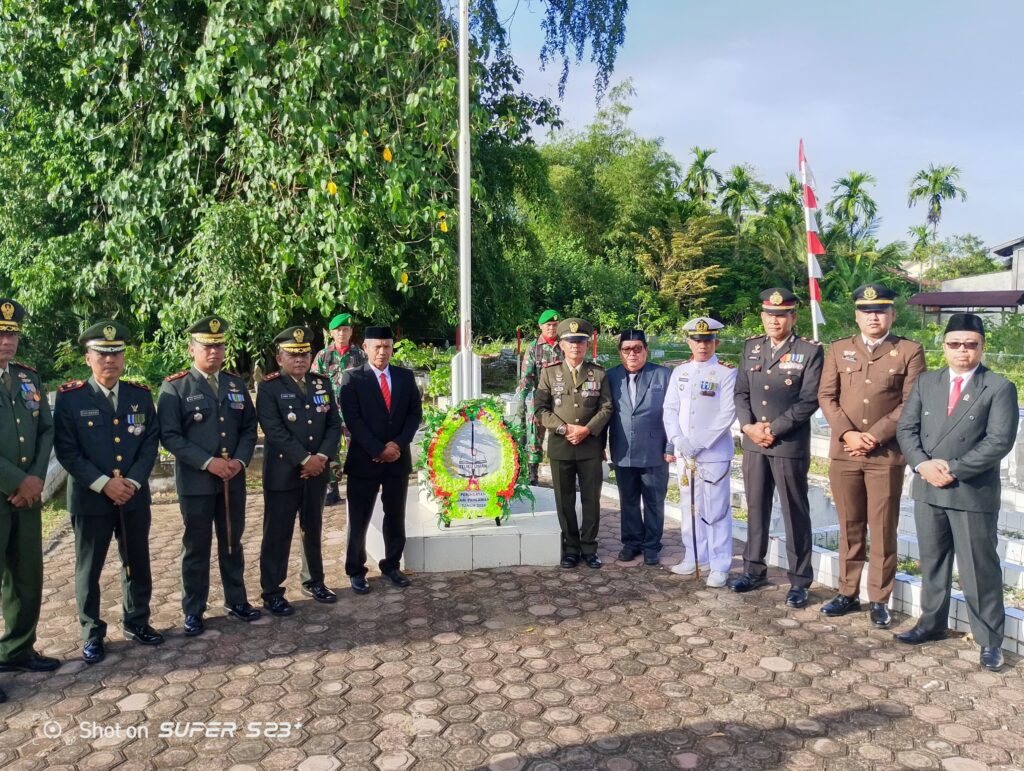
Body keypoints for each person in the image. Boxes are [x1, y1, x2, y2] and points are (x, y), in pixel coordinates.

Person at [896, 313, 1018, 671]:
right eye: (955, 344)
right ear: (944, 345)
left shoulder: (997, 386)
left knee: (979, 569)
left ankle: (989, 641)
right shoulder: (926, 382)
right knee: (932, 562)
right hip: (928, 486)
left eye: (971, 344)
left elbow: (999, 441)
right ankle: (931, 624)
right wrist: (922, 464)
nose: (963, 351)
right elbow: (907, 429)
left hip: (970, 491)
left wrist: (952, 468)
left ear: (981, 346)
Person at [53, 321, 163, 665]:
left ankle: (137, 621)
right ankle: (92, 633)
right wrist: (105, 484)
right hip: (90, 499)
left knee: (137, 561)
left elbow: (150, 443)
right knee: (90, 568)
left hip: (132, 496)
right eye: (102, 354)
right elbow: (68, 451)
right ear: (88, 358)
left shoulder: (139, 395)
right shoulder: (70, 398)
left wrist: (131, 481)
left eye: (116, 353)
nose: (110, 361)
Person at [817, 284, 925, 627]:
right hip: (845, 453)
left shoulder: (909, 350)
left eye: (880, 310)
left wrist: (873, 436)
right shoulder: (838, 349)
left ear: (892, 314)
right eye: (866, 311)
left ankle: (879, 598)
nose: (873, 316)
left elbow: (911, 404)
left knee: (882, 528)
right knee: (849, 525)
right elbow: (826, 396)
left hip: (885, 455)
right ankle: (847, 592)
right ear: (857, 315)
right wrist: (848, 434)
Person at [158, 316, 260, 636]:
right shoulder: (175, 386)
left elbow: (247, 428)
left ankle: (236, 599)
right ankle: (193, 609)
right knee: (196, 546)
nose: (214, 351)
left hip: (232, 479)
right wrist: (207, 462)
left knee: (232, 541)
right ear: (192, 349)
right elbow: (170, 437)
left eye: (219, 345)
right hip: (197, 482)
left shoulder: (235, 384)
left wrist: (240, 461)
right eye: (207, 346)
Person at [731, 288, 824, 608]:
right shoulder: (751, 347)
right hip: (755, 443)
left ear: (793, 317)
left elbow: (810, 399)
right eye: (769, 315)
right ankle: (753, 569)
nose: (774, 320)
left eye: (781, 315)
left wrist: (774, 429)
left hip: (788, 443)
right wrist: (749, 427)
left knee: (794, 512)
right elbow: (740, 393)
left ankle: (800, 580)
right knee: (755, 506)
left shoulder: (809, 351)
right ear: (762, 316)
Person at [257, 326, 342, 615]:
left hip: (316, 471)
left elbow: (333, 424)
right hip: (283, 473)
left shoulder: (321, 383)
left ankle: (314, 580)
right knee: (277, 533)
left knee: (313, 528)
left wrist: (320, 457)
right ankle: (272, 591)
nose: (299, 360)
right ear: (279, 358)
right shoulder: (269, 388)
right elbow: (274, 431)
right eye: (292, 355)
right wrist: (304, 460)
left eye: (304, 354)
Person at [0, 299, 58, 701]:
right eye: (1, 333)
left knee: (26, 577)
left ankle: (17, 649)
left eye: (12, 333)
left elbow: (45, 431)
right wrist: (17, 481)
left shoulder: (27, 378)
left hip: (28, 496)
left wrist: (35, 479)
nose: (7, 341)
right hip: (5, 492)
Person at [339, 326, 422, 594]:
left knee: (395, 515)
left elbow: (414, 415)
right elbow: (353, 420)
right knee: (360, 518)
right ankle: (356, 570)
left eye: (387, 346)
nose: (382, 352)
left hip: (397, 459)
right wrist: (378, 449)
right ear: (365, 348)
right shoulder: (352, 379)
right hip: (365, 460)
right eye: (377, 346)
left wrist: (397, 445)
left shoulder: (404, 377)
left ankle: (392, 564)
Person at [662, 317, 737, 588]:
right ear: (688, 341)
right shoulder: (680, 371)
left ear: (715, 341)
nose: (702, 345)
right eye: (696, 340)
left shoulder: (727, 373)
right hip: (685, 453)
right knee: (689, 507)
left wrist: (699, 442)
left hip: (713, 453)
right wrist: (678, 439)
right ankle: (695, 556)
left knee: (716, 509)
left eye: (707, 340)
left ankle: (719, 564)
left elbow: (727, 413)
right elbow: (670, 409)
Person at [535, 318, 613, 569]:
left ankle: (589, 547)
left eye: (580, 341)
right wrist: (563, 428)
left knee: (591, 499)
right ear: (561, 344)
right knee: (564, 499)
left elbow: (607, 407)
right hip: (561, 445)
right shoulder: (549, 372)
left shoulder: (599, 373)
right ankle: (571, 547)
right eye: (570, 342)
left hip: (590, 446)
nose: (576, 346)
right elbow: (540, 408)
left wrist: (587, 429)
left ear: (587, 344)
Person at [605, 330, 672, 565]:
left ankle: (652, 545)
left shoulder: (663, 375)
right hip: (623, 449)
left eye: (637, 349)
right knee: (629, 500)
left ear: (645, 350)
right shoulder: (610, 376)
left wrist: (671, 446)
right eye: (626, 349)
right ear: (620, 352)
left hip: (655, 449)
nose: (632, 354)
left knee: (654, 500)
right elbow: (605, 412)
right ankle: (631, 543)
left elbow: (675, 414)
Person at [311, 312, 366, 505]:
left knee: (357, 450)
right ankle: (331, 489)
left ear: (351, 332)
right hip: (330, 413)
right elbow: (313, 384)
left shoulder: (360, 355)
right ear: (331, 333)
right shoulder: (323, 356)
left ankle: (358, 487)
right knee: (330, 449)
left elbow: (369, 384)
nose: (342, 333)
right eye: (338, 330)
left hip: (354, 413)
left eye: (345, 329)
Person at [515, 310, 562, 485]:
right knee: (534, 436)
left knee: (562, 436)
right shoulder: (534, 347)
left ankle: (563, 475)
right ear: (541, 326)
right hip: (541, 397)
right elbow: (527, 377)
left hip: (561, 398)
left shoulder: (564, 345)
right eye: (548, 325)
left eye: (555, 325)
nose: (552, 328)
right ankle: (532, 476)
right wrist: (521, 397)